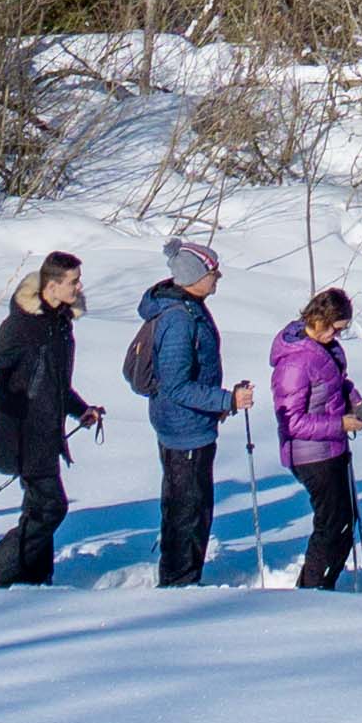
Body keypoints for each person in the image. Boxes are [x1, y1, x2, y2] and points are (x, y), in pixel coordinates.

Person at [0, 251, 104, 586]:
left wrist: (81, 409)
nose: (79, 287)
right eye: (73, 281)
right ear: (53, 285)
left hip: (46, 433)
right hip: (22, 433)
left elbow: (56, 384)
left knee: (37, 509)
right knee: (51, 508)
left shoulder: (59, 324)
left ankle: (35, 579)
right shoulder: (21, 324)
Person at [128, 238, 236, 589]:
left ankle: (181, 577)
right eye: (213, 271)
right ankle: (179, 584)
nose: (218, 277)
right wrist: (226, 401)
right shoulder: (179, 319)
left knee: (186, 507)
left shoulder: (190, 306)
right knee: (187, 511)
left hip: (189, 425)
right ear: (195, 274)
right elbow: (176, 386)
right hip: (183, 429)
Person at [273, 286, 362, 589]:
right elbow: (291, 421)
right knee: (332, 524)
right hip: (310, 454)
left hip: (332, 448)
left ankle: (321, 584)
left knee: (344, 521)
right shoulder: (294, 362)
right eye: (335, 328)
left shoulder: (327, 349)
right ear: (319, 319)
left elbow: (339, 384)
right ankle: (312, 589)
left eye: (342, 330)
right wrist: (340, 424)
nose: (337, 335)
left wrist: (357, 404)